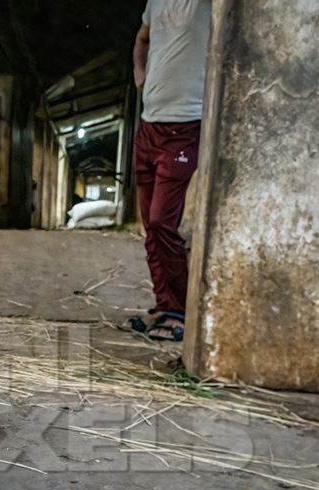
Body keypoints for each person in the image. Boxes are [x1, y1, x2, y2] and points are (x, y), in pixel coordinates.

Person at [129, 0, 211, 342]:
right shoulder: (155, 2)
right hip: (149, 126)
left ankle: (180, 311)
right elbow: (143, 38)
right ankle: (165, 305)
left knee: (164, 221)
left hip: (186, 125)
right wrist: (140, 74)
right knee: (150, 225)